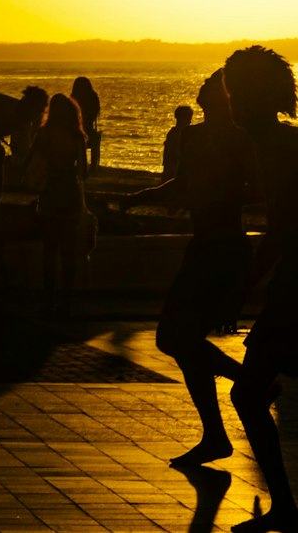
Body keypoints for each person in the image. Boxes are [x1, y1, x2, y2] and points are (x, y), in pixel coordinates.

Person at [126, 69, 254, 469]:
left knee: (178, 338)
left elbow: (259, 188)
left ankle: (239, 403)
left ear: (224, 96)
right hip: (202, 248)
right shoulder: (193, 136)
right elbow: (181, 183)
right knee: (177, 342)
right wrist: (146, 194)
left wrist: (224, 191)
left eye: (210, 86)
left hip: (227, 249)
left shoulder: (239, 138)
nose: (201, 89)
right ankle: (218, 431)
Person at [222, 46, 298, 532]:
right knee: (251, 395)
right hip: (291, 286)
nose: (229, 103)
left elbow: (285, 229)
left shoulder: (277, 147)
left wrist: (242, 288)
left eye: (233, 92)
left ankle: (287, 511)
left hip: (295, 290)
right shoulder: (280, 142)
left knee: (249, 395)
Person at [22, 93, 87, 318]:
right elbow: (84, 172)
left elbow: (29, 162)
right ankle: (66, 301)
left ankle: (48, 300)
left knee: (49, 250)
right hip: (71, 193)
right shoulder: (77, 136)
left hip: (50, 193)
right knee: (68, 251)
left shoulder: (44, 134)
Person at [0, 86, 50, 215]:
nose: (36, 116)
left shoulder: (24, 122)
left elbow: (24, 150)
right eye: (37, 111)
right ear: (29, 105)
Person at [71, 76, 101, 171]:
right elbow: (95, 115)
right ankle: (93, 166)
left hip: (74, 131)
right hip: (88, 130)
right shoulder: (93, 97)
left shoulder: (73, 99)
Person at [163, 105, 194, 178]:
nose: (190, 121)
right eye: (188, 118)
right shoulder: (174, 134)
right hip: (173, 169)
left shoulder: (175, 133)